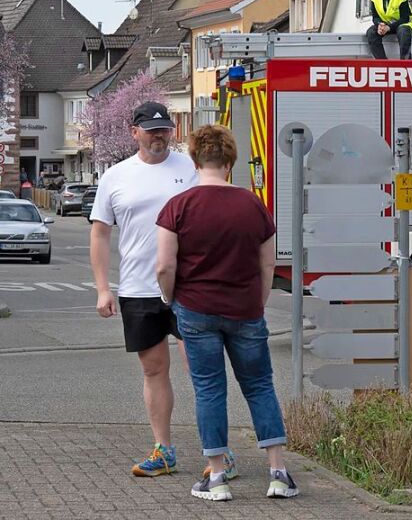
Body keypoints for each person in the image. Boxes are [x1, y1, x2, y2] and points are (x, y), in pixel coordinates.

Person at [89, 102, 236, 479]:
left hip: (191, 285)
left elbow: (221, 215)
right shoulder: (116, 176)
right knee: (153, 370)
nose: (159, 136)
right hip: (139, 289)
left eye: (165, 129)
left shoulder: (191, 169)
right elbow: (101, 233)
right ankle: (164, 450)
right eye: (151, 129)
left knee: (202, 369)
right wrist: (103, 288)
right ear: (133, 131)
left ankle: (220, 453)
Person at [155, 124, 297, 502]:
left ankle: (216, 478)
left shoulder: (178, 206)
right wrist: (259, 300)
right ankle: (279, 473)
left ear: (194, 158)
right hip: (246, 309)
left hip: (196, 309)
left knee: (209, 390)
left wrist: (171, 299)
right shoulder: (253, 205)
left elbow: (164, 266)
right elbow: (267, 265)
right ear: (230, 160)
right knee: (260, 386)